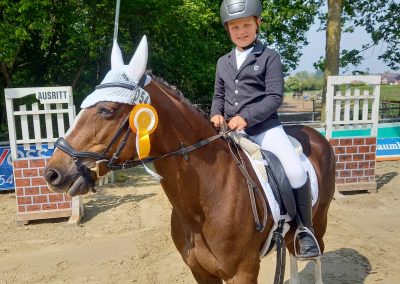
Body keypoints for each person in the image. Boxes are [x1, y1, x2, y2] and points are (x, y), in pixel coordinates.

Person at [210, 0, 320, 259]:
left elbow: (274, 97)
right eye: (235, 27)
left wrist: (245, 118)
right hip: (230, 133)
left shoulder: (269, 56)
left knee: (294, 170)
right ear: (228, 29)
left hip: (264, 129)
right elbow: (218, 95)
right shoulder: (222, 62)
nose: (241, 31)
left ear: (257, 23)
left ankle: (305, 229)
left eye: (246, 25)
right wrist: (215, 113)